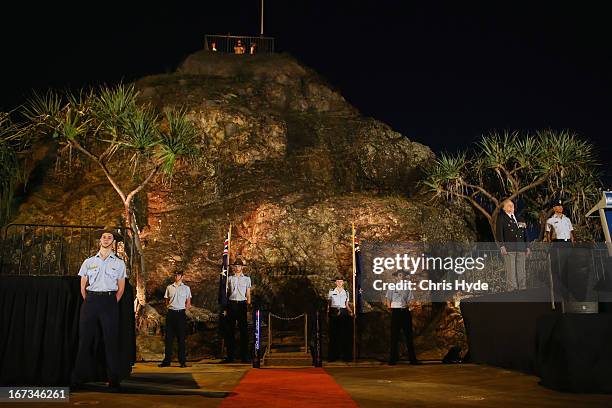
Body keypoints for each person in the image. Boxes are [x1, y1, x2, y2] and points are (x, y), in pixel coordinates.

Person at [71, 228, 126, 390]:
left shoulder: (119, 263)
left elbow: (121, 288)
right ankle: (78, 378)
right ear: (100, 240)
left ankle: (113, 379)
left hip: (109, 301)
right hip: (91, 301)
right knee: (85, 340)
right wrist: (90, 300)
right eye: (104, 237)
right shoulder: (89, 262)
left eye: (110, 237)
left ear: (113, 241)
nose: (106, 239)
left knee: (110, 341)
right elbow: (83, 286)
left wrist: (110, 301)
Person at [386, 270, 420, 365]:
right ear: (396, 277)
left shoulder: (407, 288)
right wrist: (390, 307)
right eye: (400, 275)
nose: (401, 276)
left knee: (409, 336)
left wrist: (413, 304)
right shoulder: (392, 286)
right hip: (396, 312)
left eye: (403, 275)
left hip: (405, 312)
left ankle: (413, 360)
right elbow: (388, 298)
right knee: (394, 336)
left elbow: (410, 299)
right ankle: (392, 359)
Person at [159, 271, 192, 368]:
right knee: (168, 338)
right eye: (175, 275)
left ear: (182, 276)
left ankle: (182, 361)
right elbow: (166, 300)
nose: (176, 277)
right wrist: (170, 308)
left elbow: (188, 302)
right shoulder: (169, 287)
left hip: (181, 314)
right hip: (171, 314)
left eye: (178, 275)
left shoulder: (186, 288)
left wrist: (183, 310)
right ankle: (167, 361)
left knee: (181, 339)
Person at [496, 199, 530, 290]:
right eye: (509, 206)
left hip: (521, 247)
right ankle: (512, 290)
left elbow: (525, 234)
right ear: (504, 208)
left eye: (512, 205)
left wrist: (527, 246)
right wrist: (502, 246)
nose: (512, 207)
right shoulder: (501, 218)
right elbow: (499, 233)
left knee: (521, 270)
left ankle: (522, 288)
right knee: (511, 270)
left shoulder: (520, 219)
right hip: (509, 248)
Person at [545, 198, 575, 301]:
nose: (561, 207)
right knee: (559, 268)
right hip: (557, 244)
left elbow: (571, 233)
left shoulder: (567, 219)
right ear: (554, 208)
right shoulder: (550, 220)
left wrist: (572, 244)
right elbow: (548, 235)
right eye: (558, 206)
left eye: (561, 206)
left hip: (567, 244)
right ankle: (560, 292)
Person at [223, 258, 251, 363]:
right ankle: (230, 356)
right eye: (236, 266)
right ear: (234, 267)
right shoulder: (229, 278)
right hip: (232, 303)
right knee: (230, 331)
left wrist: (248, 306)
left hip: (242, 304)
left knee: (243, 331)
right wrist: (225, 306)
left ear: (242, 267)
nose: (237, 268)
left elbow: (248, 294)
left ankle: (244, 356)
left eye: (239, 266)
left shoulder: (247, 279)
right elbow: (226, 292)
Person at [327, 276, 352, 362]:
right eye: (337, 281)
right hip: (334, 311)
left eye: (341, 281)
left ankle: (345, 356)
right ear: (335, 283)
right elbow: (329, 304)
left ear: (343, 282)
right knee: (333, 334)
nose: (339, 283)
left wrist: (351, 312)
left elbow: (347, 304)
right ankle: (333, 356)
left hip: (343, 311)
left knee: (344, 334)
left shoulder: (346, 292)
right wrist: (328, 313)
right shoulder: (331, 291)